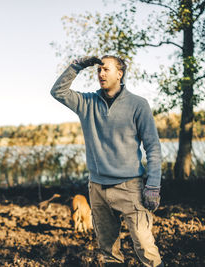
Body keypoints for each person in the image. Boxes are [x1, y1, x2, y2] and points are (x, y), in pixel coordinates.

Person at [50, 56, 164, 267]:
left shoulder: (138, 105)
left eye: (106, 69)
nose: (101, 73)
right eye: (99, 70)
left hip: (130, 188)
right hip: (98, 189)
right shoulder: (87, 103)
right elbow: (58, 92)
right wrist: (78, 65)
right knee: (109, 253)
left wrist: (153, 186)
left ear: (119, 74)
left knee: (146, 249)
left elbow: (153, 147)